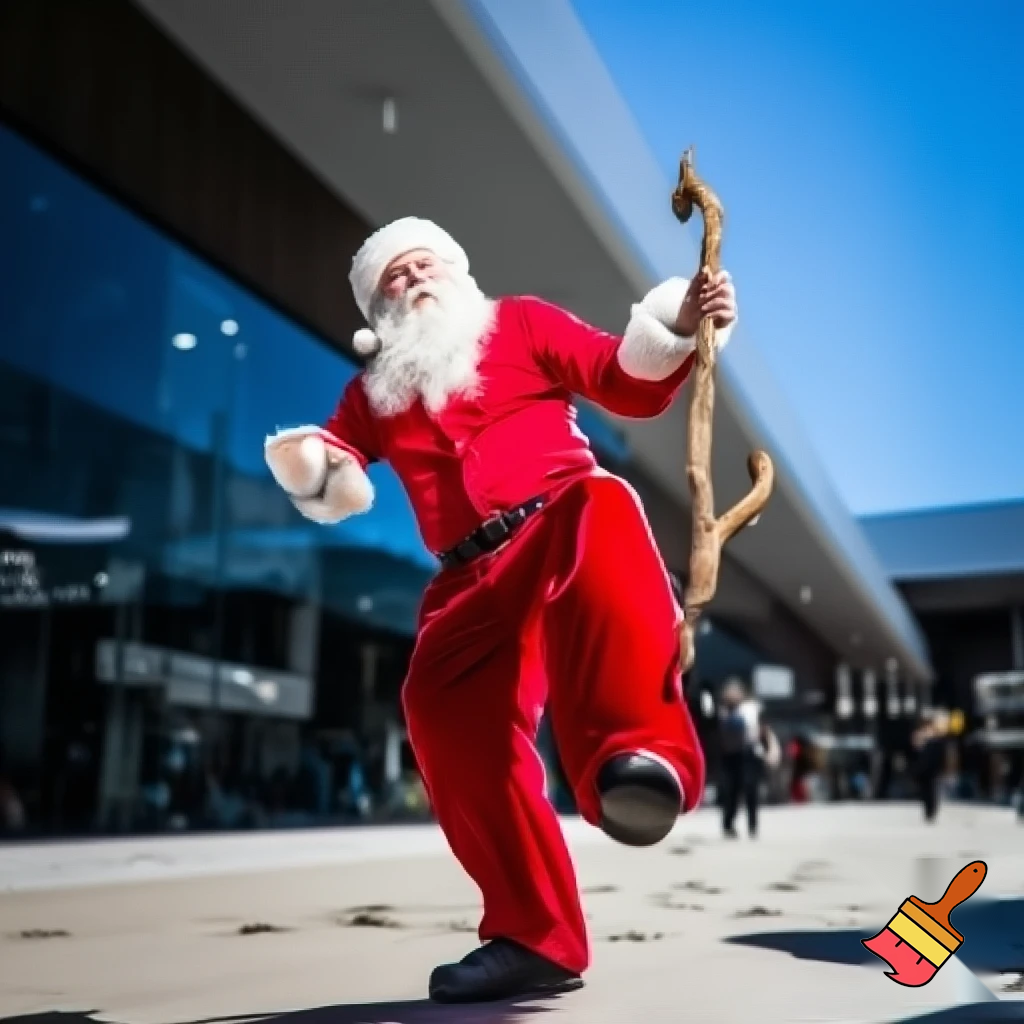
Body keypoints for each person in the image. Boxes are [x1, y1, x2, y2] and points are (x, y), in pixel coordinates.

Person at [264, 217, 738, 1003]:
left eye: (422, 264)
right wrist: (316, 464)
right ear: (376, 305)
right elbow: (339, 466)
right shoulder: (375, 391)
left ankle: (636, 760)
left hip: (557, 518)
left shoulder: (519, 321)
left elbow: (620, 377)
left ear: (454, 271)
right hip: (467, 577)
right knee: (437, 704)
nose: (410, 278)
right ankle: (533, 934)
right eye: (392, 276)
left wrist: (680, 322)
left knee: (605, 505)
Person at [718, 678, 764, 837]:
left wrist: (769, 749)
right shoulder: (722, 712)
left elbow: (762, 730)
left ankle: (753, 825)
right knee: (731, 791)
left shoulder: (750, 709)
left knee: (751, 789)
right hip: (730, 755)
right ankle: (728, 824)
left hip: (748, 753)